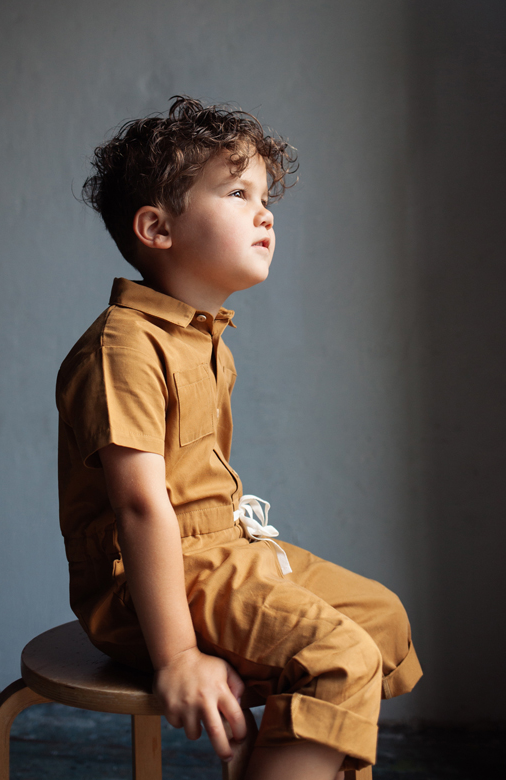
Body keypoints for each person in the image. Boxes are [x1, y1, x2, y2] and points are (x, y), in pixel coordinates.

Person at [56, 96, 422, 780]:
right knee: (339, 657)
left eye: (265, 197)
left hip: (224, 550)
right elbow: (140, 506)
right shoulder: (123, 348)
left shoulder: (206, 340)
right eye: (237, 193)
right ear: (157, 228)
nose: (265, 213)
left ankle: (284, 761)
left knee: (382, 620)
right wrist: (178, 657)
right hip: (152, 581)